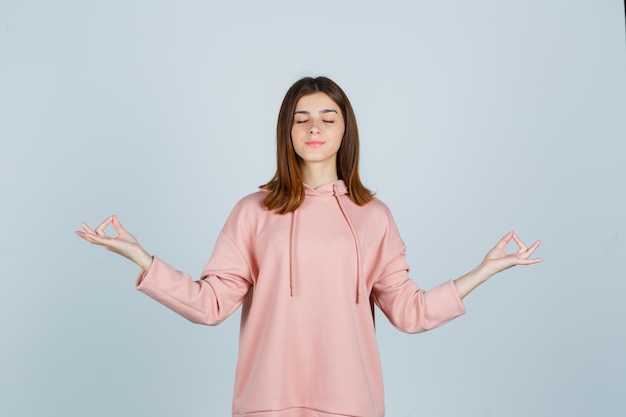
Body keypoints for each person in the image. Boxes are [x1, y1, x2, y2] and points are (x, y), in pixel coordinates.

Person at [76, 76, 542, 417]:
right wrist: (141, 257)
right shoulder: (253, 211)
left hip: (351, 404)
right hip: (265, 403)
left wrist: (484, 270)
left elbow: (409, 311)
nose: (314, 128)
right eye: (302, 119)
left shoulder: (373, 217)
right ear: (287, 131)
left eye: (327, 117)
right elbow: (211, 303)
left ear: (345, 130)